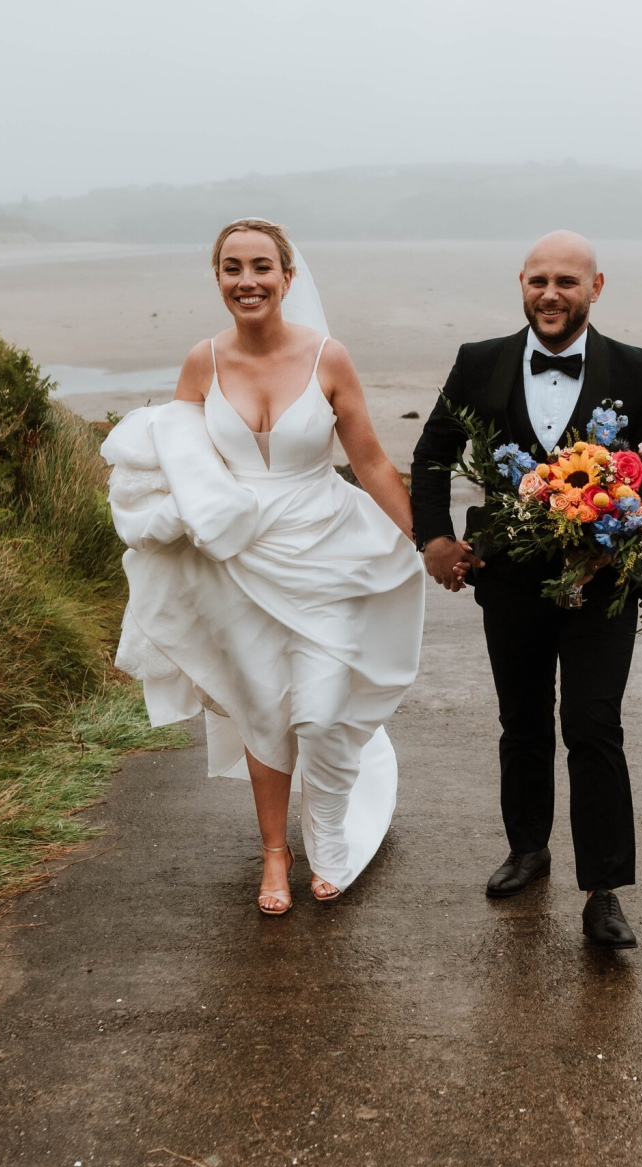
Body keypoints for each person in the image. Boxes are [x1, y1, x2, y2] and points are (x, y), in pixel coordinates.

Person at [103, 220, 425, 915]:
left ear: (287, 276)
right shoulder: (201, 363)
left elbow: (367, 459)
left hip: (328, 549)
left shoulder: (329, 359)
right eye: (230, 268)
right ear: (218, 278)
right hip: (238, 562)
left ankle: (331, 831)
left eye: (260, 267)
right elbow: (180, 467)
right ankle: (275, 855)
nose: (245, 280)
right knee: (263, 711)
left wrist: (426, 537)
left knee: (320, 709)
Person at [409, 231, 642, 950]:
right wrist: (432, 539)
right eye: (538, 282)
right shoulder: (479, 362)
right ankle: (528, 850)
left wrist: (625, 534)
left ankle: (604, 891)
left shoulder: (637, 369)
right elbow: (431, 455)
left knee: (592, 726)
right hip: (510, 579)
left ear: (596, 286)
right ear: (521, 283)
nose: (551, 295)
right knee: (522, 722)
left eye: (567, 282)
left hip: (604, 583)